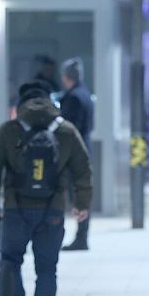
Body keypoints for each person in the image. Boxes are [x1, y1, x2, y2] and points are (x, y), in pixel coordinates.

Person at [0, 81, 93, 296]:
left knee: (10, 261)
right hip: (52, 210)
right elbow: (83, 169)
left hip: (14, 209)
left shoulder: (10, 130)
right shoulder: (66, 131)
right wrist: (82, 203)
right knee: (46, 268)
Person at [59, 57, 94, 252]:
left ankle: (81, 237)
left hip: (75, 152)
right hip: (86, 149)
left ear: (66, 77)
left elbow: (69, 129)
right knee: (83, 192)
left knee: (76, 194)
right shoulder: (85, 94)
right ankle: (82, 235)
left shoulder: (73, 97)